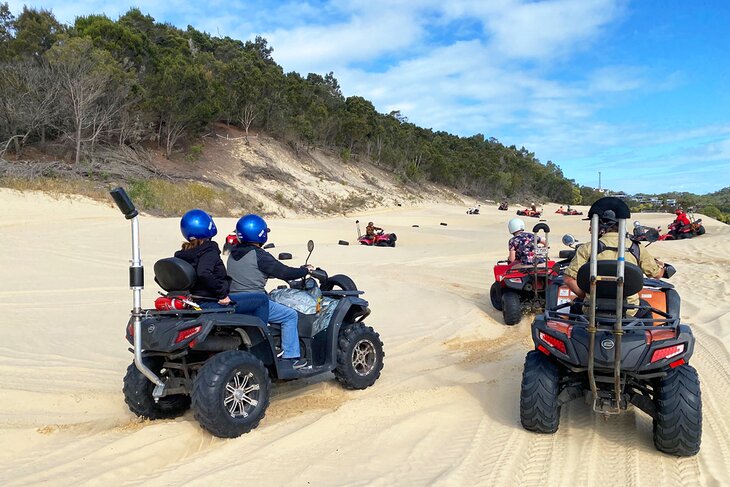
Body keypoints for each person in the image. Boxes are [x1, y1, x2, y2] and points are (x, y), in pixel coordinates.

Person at [227, 214, 312, 369]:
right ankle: (291, 357)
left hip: (236, 301)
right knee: (290, 315)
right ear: (260, 234)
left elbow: (251, 272)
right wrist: (303, 270)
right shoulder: (259, 255)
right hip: (256, 301)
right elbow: (284, 271)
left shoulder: (233, 254)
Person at [174, 209, 270, 324]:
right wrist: (222, 295)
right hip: (211, 303)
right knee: (262, 300)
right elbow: (203, 273)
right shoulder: (208, 251)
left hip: (194, 302)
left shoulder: (183, 253)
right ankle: (262, 338)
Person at [563, 209, 663, 316]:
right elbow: (656, 274)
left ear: (601, 228)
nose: (590, 229)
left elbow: (569, 279)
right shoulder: (637, 248)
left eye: (592, 225)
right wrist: (662, 268)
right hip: (629, 308)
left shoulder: (587, 248)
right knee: (646, 310)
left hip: (593, 308)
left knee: (574, 306)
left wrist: (586, 296)